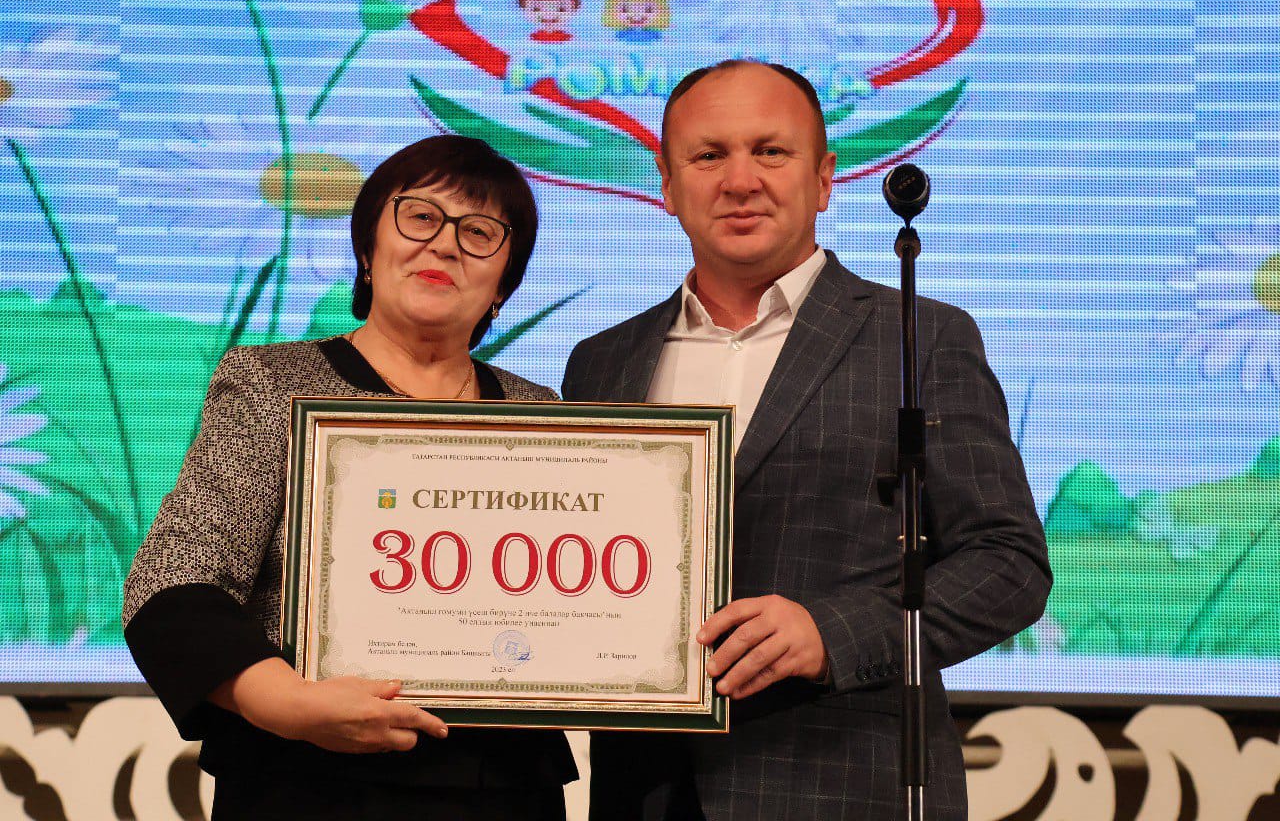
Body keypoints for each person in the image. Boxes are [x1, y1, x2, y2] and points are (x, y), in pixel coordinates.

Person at [562, 60, 1051, 820]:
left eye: (771, 151)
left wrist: (831, 633)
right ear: (667, 185)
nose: (740, 180)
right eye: (708, 155)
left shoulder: (921, 337)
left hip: (842, 786)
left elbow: (1008, 565)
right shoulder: (602, 361)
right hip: (644, 791)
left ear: (823, 179)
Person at [124, 135, 577, 820]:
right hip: (304, 783)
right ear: (368, 248)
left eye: (479, 232)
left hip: (504, 788)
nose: (445, 245)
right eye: (420, 217)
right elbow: (173, 583)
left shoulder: (543, 416)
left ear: (504, 283)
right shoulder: (272, 384)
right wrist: (290, 703)